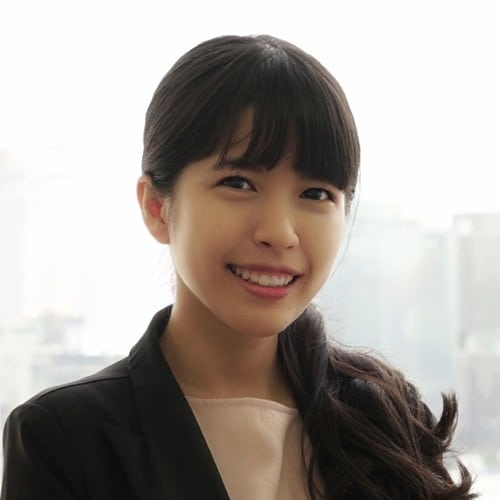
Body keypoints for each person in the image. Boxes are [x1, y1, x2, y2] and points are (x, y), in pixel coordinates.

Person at [1, 35, 475, 500]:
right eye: (239, 183)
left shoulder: (389, 420)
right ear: (156, 207)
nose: (280, 232)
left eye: (315, 194)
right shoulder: (63, 439)